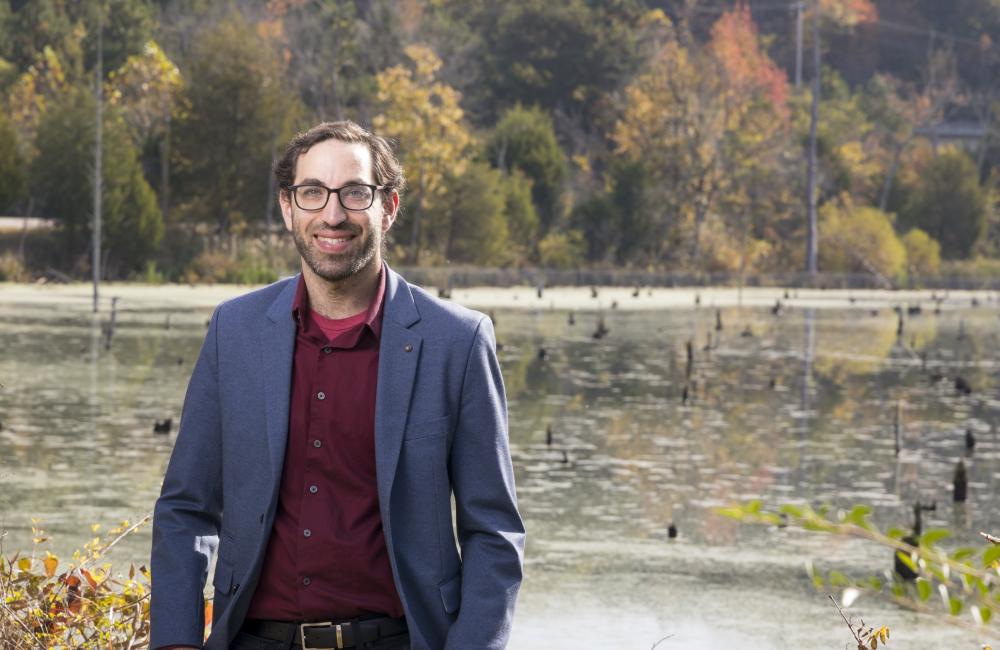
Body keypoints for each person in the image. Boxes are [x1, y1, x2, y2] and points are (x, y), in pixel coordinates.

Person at [150, 121, 525, 650]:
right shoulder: (234, 332)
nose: (332, 214)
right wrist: (177, 643)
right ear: (288, 207)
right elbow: (186, 510)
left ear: (388, 206)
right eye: (312, 193)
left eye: (354, 193)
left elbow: (494, 535)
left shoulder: (457, 343)